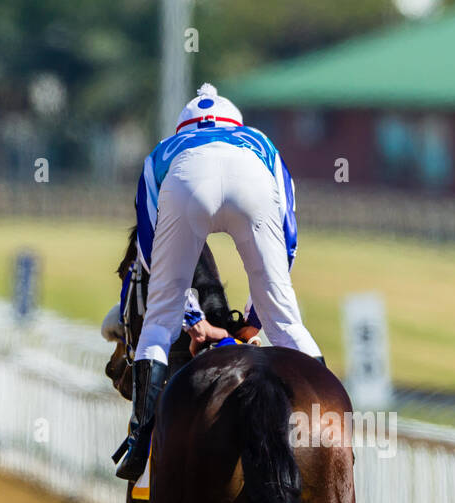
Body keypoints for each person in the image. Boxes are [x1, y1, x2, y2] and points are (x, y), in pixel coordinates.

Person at [116, 83, 322, 482]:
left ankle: (140, 443)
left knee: (157, 325)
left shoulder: (163, 150)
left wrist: (191, 318)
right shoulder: (260, 142)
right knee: (290, 327)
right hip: (254, 184)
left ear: (183, 128)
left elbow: (147, 252)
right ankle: (335, 436)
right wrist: (255, 320)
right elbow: (289, 240)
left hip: (186, 185)